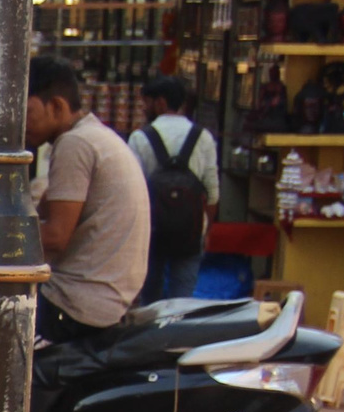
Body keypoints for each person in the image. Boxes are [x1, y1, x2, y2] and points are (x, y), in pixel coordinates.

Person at [26, 53, 148, 343]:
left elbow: (55, 236)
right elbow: (43, 211)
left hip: (77, 305)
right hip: (104, 297)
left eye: (26, 112)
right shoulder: (94, 136)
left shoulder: (75, 143)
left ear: (56, 106)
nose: (20, 123)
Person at [126, 74, 219, 303]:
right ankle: (178, 337)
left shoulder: (140, 138)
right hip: (190, 232)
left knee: (149, 298)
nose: (143, 108)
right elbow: (212, 192)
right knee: (183, 299)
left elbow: (131, 191)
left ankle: (149, 338)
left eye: (146, 102)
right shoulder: (203, 137)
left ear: (160, 103)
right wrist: (205, 230)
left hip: (151, 230)